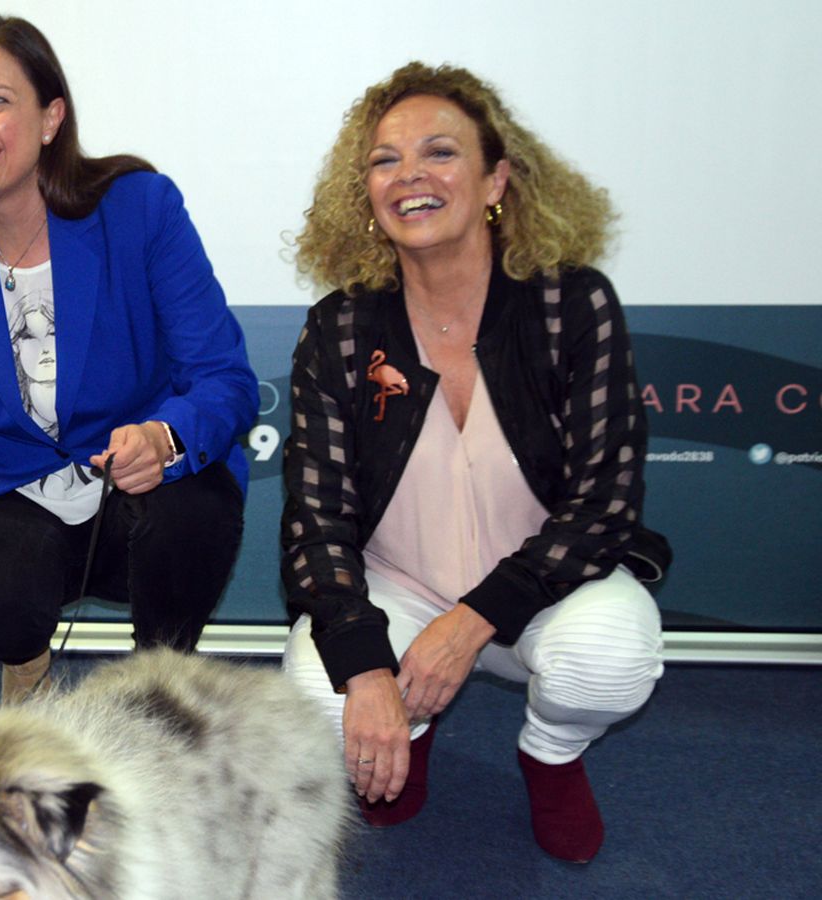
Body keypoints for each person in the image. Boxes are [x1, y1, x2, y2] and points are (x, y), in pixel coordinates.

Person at [280, 61, 671, 864]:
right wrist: (368, 669)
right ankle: (406, 732)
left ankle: (551, 754)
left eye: (439, 153)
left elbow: (607, 501)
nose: (409, 177)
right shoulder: (342, 327)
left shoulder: (572, 303)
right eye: (385, 160)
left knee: (611, 662)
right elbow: (314, 521)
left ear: (496, 178)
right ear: (367, 194)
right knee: (322, 697)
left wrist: (473, 621)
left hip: (544, 586)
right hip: (401, 589)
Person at [0, 14, 257, 701]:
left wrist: (164, 437)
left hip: (142, 483)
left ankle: (163, 689)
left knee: (190, 515)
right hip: (6, 481)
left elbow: (224, 378)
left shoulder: (140, 207)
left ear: (50, 119)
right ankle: (26, 662)